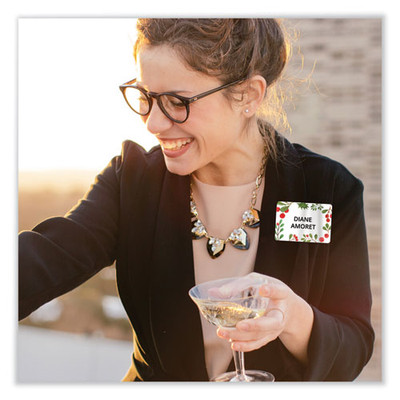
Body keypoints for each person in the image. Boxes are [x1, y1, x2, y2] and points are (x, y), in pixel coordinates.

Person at [18, 18, 374, 381]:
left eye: (177, 102)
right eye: (146, 98)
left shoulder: (326, 191)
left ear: (249, 95)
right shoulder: (132, 182)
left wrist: (294, 318)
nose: (153, 124)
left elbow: (353, 346)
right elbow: (42, 260)